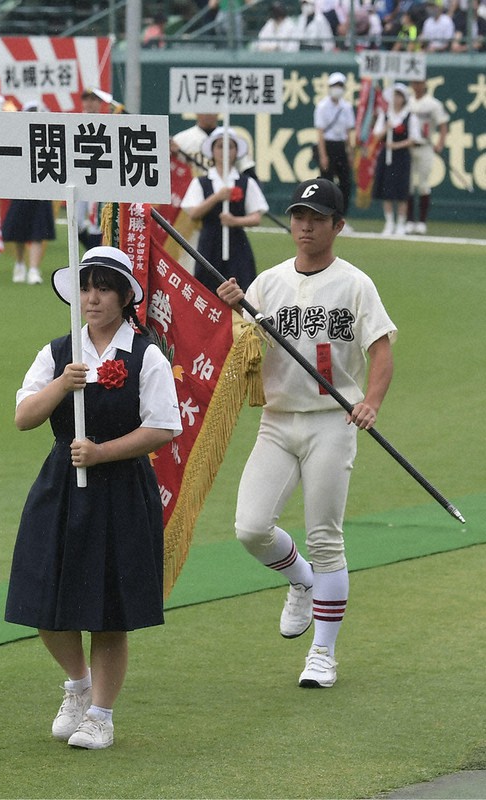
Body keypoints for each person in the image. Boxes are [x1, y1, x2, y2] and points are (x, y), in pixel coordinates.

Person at [216, 178, 397, 688]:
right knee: (251, 528)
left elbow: (380, 349)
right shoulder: (267, 283)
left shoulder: (355, 284)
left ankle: (323, 653)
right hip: (276, 421)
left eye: (318, 218)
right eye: (299, 216)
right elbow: (242, 348)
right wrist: (234, 307)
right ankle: (300, 581)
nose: (306, 226)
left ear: (338, 225)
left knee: (326, 537)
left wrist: (371, 402)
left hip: (331, 422)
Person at [4, 246, 182, 749]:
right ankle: (78, 686)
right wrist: (63, 384)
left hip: (121, 487)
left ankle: (101, 715)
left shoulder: (146, 355)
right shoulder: (60, 352)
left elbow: (164, 427)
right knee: (41, 597)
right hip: (61, 482)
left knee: (110, 609)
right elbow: (24, 417)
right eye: (86, 286)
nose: (93, 297)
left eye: (104, 287)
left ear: (127, 296)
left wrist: (103, 453)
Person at [181, 127, 269, 293]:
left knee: (243, 286)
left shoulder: (245, 182)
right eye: (220, 146)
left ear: (237, 151)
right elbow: (193, 213)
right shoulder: (201, 182)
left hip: (237, 243)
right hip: (209, 242)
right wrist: (217, 197)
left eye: (230, 147)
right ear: (213, 151)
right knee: (206, 289)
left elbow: (256, 217)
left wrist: (234, 221)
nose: (225, 152)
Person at [1, 101, 56, 284]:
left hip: (41, 189)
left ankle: (33, 269)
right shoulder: (17, 136)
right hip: (21, 188)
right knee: (18, 231)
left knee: (38, 232)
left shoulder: (49, 137)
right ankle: (19, 264)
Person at [372, 83, 422, 236]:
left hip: (401, 157)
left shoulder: (409, 116)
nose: (396, 99)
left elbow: (414, 139)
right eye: (394, 95)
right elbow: (376, 135)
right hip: (386, 156)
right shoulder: (385, 115)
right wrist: (387, 128)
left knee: (401, 191)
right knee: (386, 190)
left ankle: (401, 223)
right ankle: (389, 222)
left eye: (399, 96)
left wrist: (396, 145)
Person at [405, 79, 449, 234]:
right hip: (408, 146)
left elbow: (443, 124)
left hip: (425, 145)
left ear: (425, 84)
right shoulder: (407, 102)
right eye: (414, 83)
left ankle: (422, 221)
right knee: (409, 184)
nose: (416, 86)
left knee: (423, 184)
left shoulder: (433, 104)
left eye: (419, 83)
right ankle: (409, 220)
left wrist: (440, 143)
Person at [314, 72, 356, 230]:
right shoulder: (322, 106)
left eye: (340, 86)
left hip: (341, 147)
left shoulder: (346, 107)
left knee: (345, 183)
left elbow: (347, 133)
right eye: (334, 86)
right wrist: (323, 155)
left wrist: (350, 152)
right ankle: (326, 217)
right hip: (328, 146)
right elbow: (320, 133)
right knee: (327, 184)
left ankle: (341, 217)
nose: (337, 89)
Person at [77, 88, 106, 250]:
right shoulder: (74, 122)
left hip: (97, 176)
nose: (89, 103)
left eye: (94, 99)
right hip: (78, 175)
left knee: (96, 221)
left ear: (100, 103)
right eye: (87, 99)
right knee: (76, 223)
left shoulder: (106, 124)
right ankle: (93, 252)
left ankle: (96, 256)